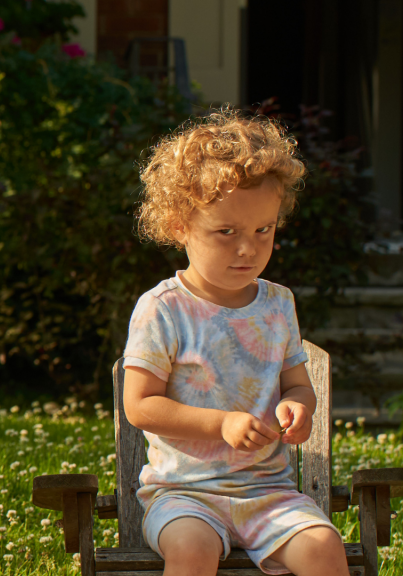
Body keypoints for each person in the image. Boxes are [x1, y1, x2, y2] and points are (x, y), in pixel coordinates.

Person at [122, 110, 349, 576]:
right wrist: (221, 424)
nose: (248, 248)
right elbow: (140, 406)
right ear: (179, 225)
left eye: (263, 230)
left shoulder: (277, 304)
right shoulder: (163, 309)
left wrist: (298, 407)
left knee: (324, 545)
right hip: (185, 495)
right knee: (192, 551)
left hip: (269, 492)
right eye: (226, 232)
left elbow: (298, 386)